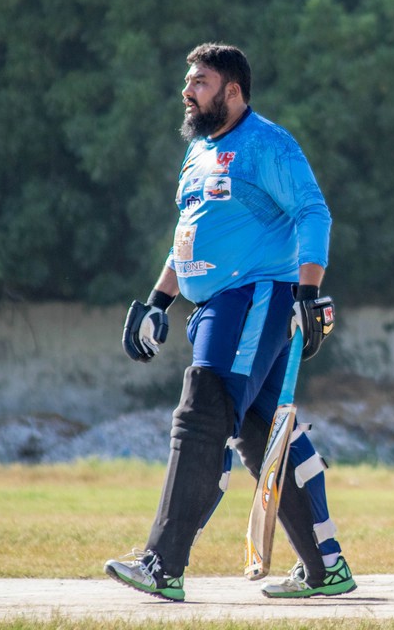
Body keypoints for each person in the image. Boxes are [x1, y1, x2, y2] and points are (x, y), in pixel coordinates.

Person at [104, 43, 355, 601]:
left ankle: (162, 564)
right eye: (189, 81)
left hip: (253, 297)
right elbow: (189, 236)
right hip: (212, 306)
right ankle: (326, 567)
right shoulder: (198, 151)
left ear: (232, 91)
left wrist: (308, 293)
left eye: (200, 82)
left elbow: (313, 211)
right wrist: (158, 301)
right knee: (261, 431)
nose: (187, 91)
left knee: (202, 416)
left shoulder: (267, 143)